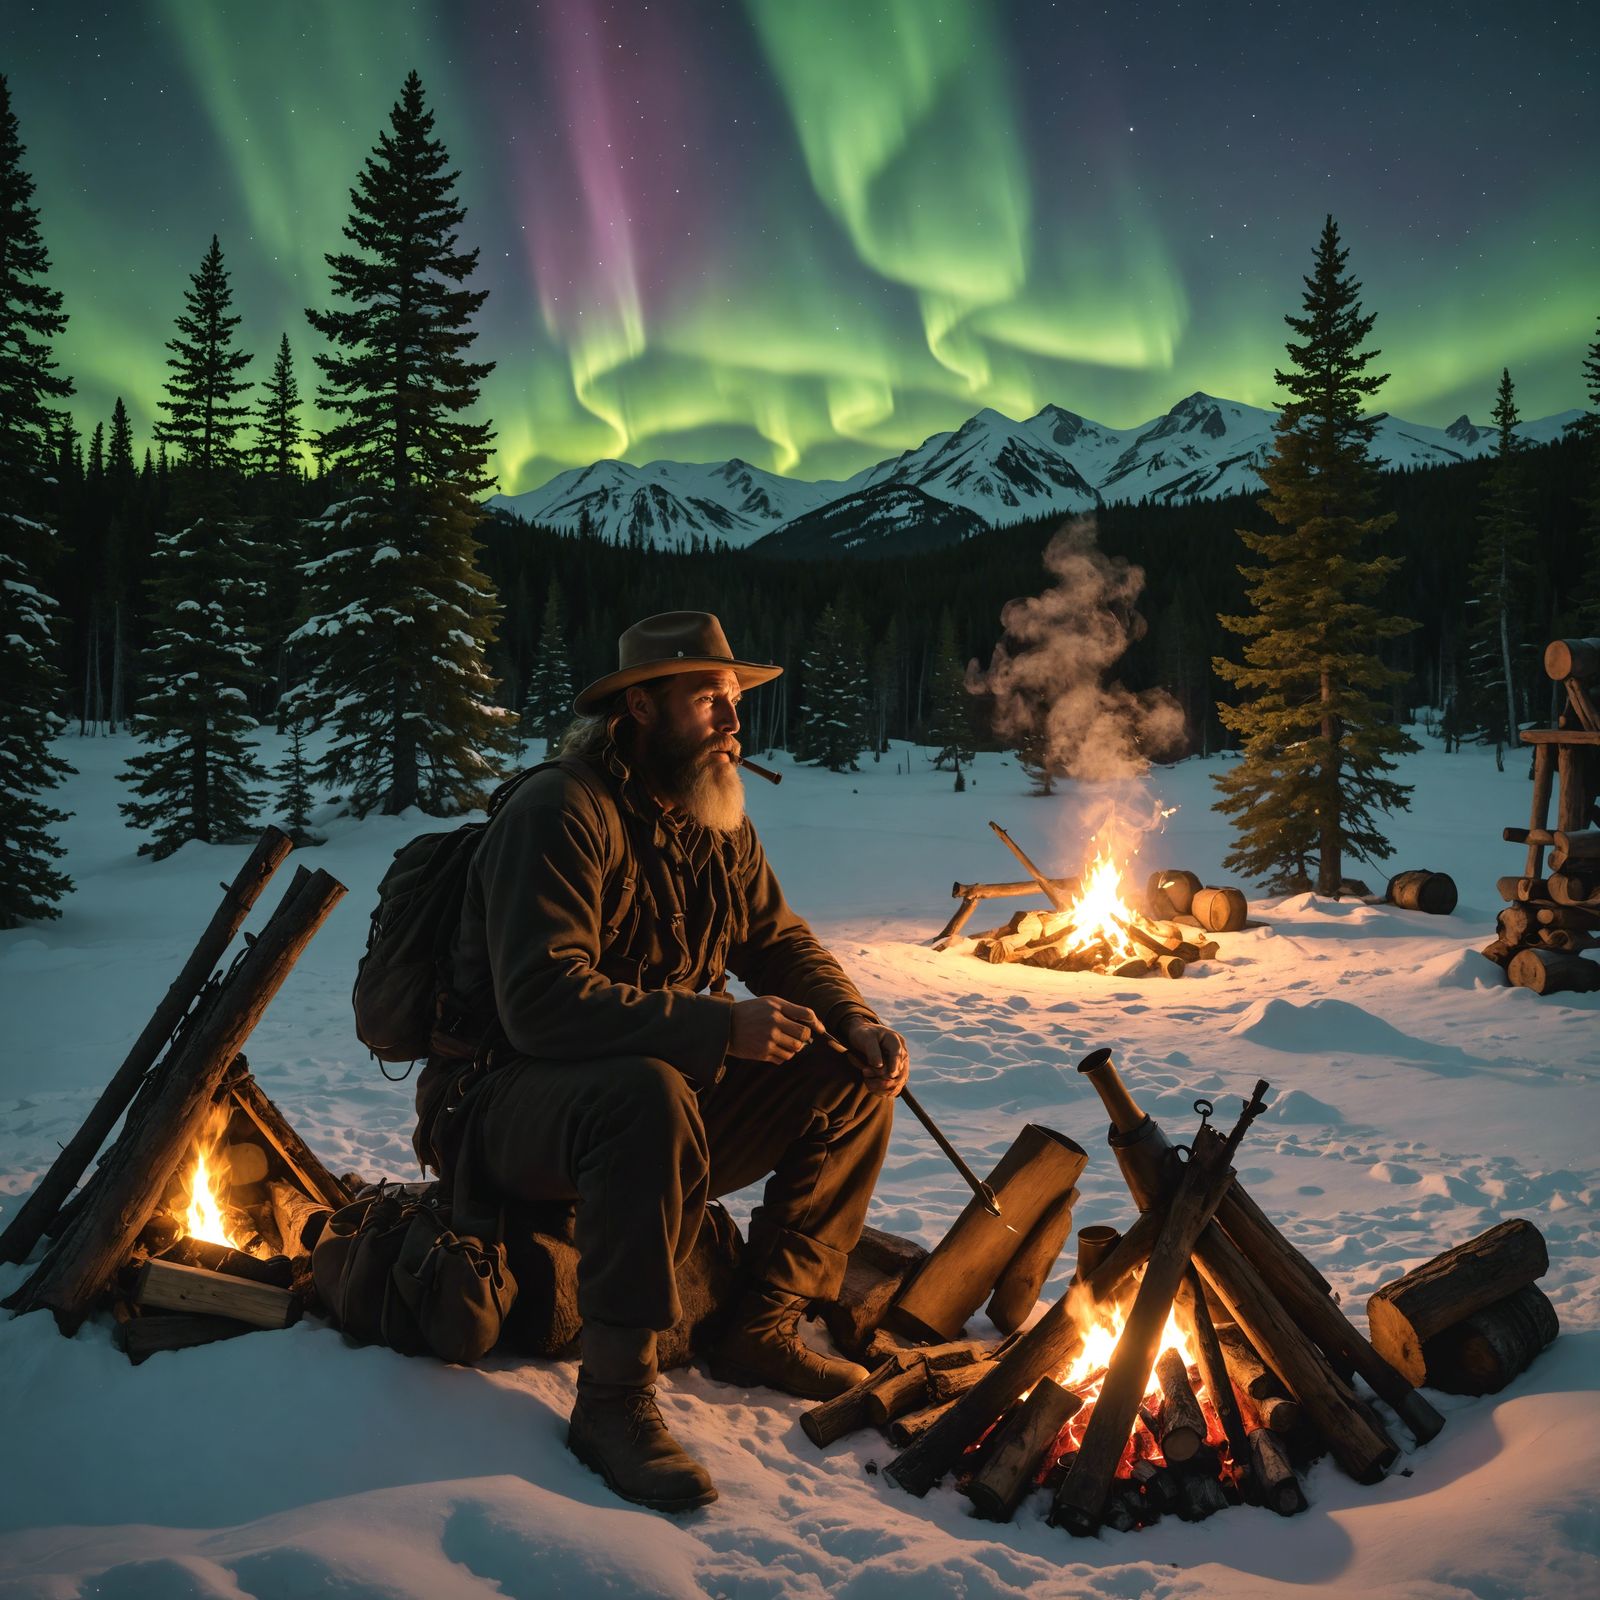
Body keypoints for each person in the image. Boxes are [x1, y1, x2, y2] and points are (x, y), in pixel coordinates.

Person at [413, 611, 909, 1513]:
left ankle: (759, 1328)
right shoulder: (560, 810)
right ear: (640, 706)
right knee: (644, 1093)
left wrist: (855, 1019)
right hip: (499, 1106)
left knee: (847, 1077)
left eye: (734, 699)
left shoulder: (712, 816)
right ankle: (612, 1404)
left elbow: (778, 939)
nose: (732, 721)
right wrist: (721, 1031)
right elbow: (541, 1006)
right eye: (708, 699)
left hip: (646, 1103)